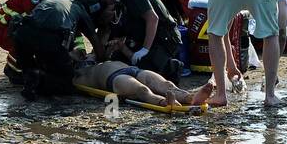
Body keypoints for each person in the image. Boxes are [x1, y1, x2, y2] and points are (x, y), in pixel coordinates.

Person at [205, 0, 287, 107]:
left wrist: (231, 66)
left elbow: (223, 33)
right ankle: (270, 95)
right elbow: (280, 33)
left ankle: (220, 95)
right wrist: (273, 74)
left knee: (215, 33)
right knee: (271, 34)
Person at [9, 0, 102, 99]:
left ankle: (31, 77)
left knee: (33, 65)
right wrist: (102, 58)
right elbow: (92, 36)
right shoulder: (75, 5)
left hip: (22, 33)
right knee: (66, 84)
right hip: (51, 38)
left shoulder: (42, 5)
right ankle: (40, 81)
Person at [0, 0, 74, 78]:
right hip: (6, 30)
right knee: (36, 36)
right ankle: (15, 69)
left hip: (16, 25)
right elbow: (37, 24)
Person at [110, 0, 187, 81]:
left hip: (165, 38)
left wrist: (144, 50)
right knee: (118, 61)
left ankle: (172, 67)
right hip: (147, 37)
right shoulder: (120, 2)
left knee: (146, 71)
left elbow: (153, 18)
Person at [74, 58, 212, 107]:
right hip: (114, 79)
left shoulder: (95, 58)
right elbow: (77, 85)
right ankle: (164, 102)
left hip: (133, 70)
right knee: (142, 90)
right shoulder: (79, 75)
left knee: (167, 84)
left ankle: (190, 97)